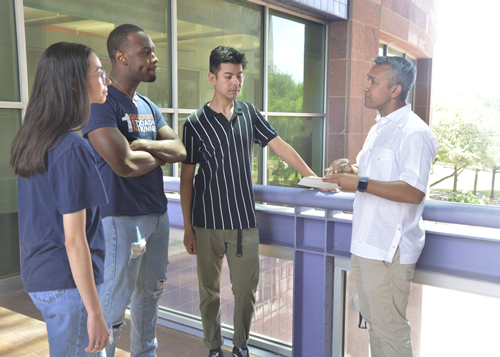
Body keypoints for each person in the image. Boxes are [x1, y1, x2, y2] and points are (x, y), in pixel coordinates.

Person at [180, 45, 317, 357]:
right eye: (228, 76)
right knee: (209, 292)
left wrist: (313, 178)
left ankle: (240, 345)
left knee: (246, 290)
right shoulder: (194, 124)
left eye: (239, 76)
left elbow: (280, 147)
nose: (235, 82)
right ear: (213, 78)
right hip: (207, 222)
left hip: (244, 221)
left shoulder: (249, 114)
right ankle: (213, 346)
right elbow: (187, 179)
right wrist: (189, 228)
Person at [323, 56, 439, 357]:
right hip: (365, 243)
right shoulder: (380, 128)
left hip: (390, 248)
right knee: (375, 324)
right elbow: (369, 175)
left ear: (395, 90)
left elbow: (414, 192)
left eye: (373, 82)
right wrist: (348, 171)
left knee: (390, 331)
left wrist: (359, 184)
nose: (365, 87)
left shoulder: (415, 133)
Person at [82, 24, 186, 357]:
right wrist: (157, 150)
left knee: (149, 298)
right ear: (121, 56)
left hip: (157, 214)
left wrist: (141, 144)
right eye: (147, 52)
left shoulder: (147, 105)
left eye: (153, 51)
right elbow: (122, 165)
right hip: (121, 219)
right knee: (113, 306)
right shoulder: (101, 102)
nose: (154, 58)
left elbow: (181, 150)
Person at [10, 42, 111, 356]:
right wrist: (94, 312)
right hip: (68, 285)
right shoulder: (72, 148)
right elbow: (74, 240)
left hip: (41, 277)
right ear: (73, 83)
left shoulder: (33, 137)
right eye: (98, 73)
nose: (105, 80)